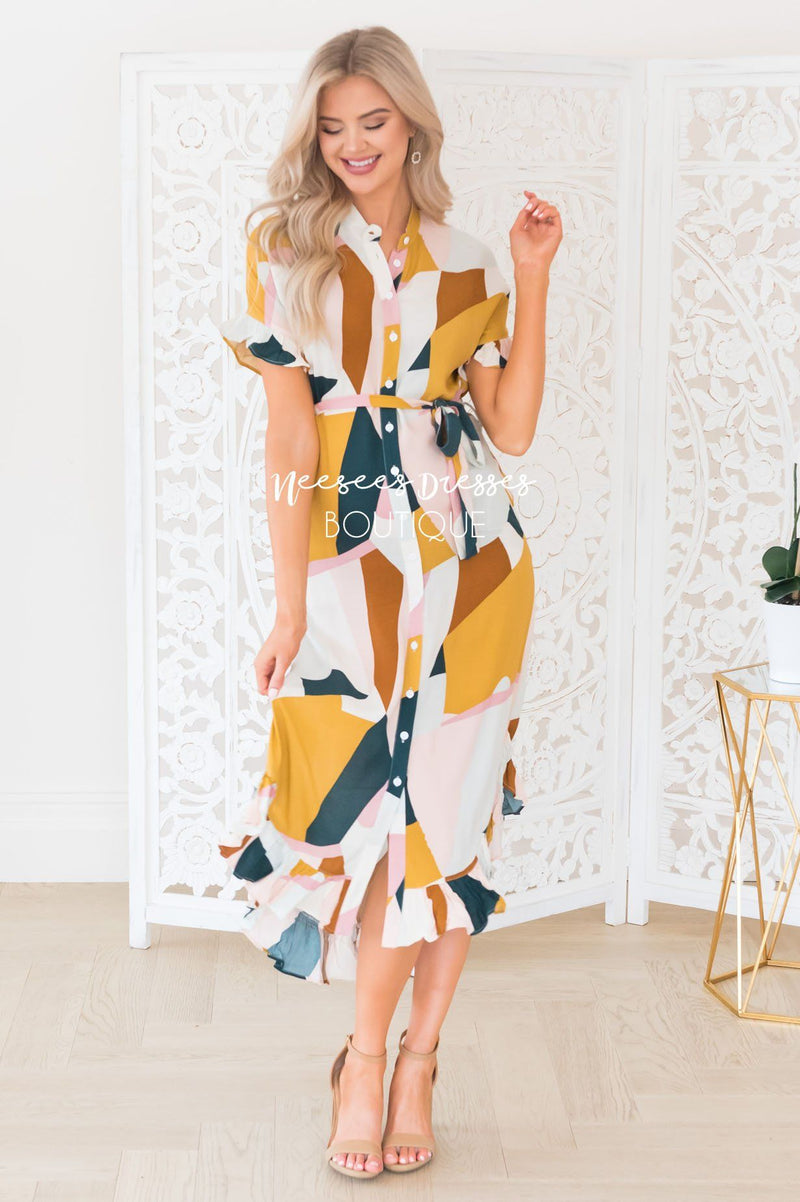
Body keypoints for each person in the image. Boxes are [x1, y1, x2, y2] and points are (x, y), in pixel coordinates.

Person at [217, 24, 562, 1180]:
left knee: (449, 828)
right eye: (332, 127)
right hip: (347, 575)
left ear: (410, 120)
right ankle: (362, 1058)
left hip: (472, 569)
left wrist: (531, 276)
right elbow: (287, 439)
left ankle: (411, 1062)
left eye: (372, 121)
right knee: (372, 819)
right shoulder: (285, 251)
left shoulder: (469, 258)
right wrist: (286, 610)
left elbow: (509, 429)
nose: (353, 144)